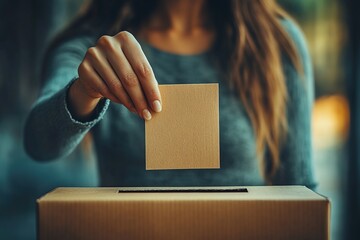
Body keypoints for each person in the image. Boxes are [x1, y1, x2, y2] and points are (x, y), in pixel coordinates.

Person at [24, 0, 316, 189]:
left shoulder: (276, 43)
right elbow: (39, 143)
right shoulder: (95, 48)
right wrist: (85, 91)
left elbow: (300, 191)